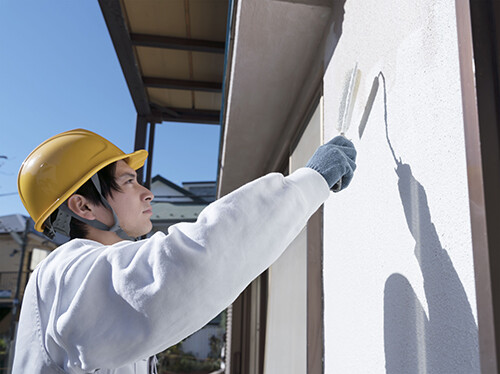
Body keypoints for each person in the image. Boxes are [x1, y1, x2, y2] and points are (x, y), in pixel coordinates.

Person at [12, 128, 356, 373]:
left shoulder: (89, 281)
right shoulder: (67, 274)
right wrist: (309, 182)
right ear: (83, 207)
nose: (147, 193)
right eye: (129, 181)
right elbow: (190, 265)